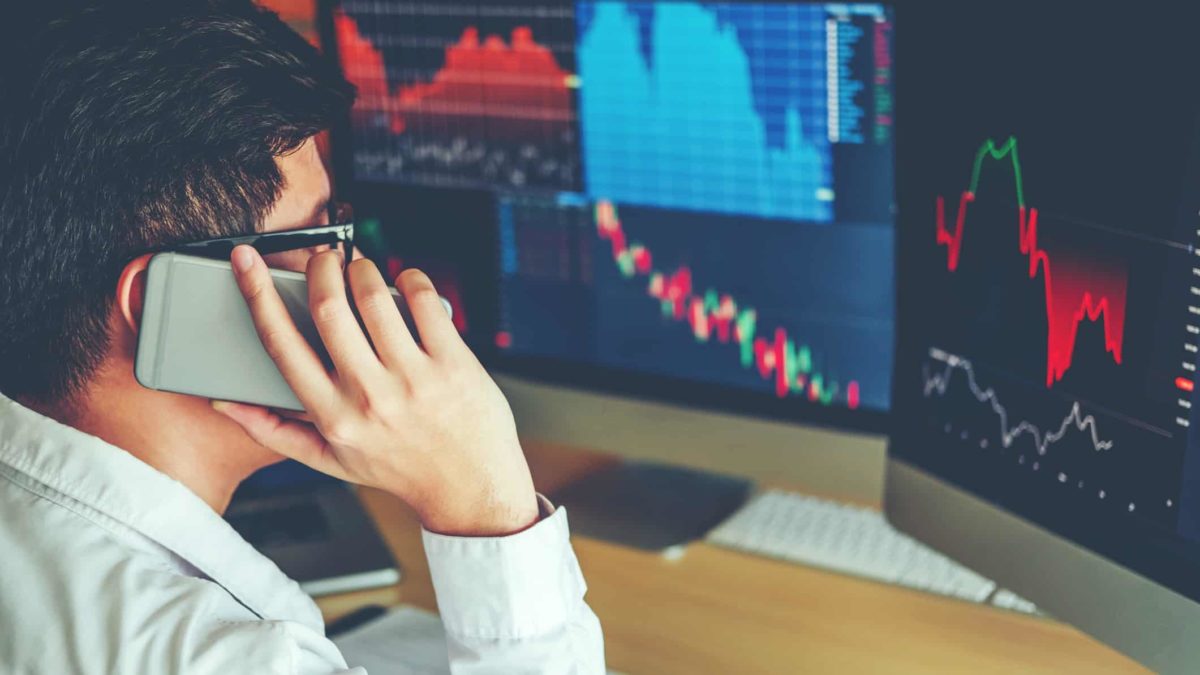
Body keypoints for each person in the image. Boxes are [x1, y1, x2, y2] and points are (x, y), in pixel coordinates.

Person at [0, 1, 604, 672]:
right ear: (163, 301)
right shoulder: (229, 656)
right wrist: (486, 506)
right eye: (324, 234)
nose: (353, 272)